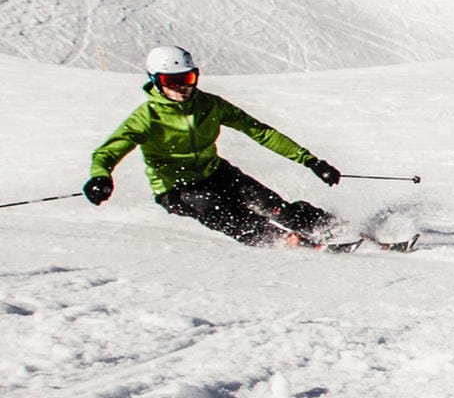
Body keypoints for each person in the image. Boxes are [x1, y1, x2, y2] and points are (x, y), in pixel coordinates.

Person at [85, 45, 345, 249]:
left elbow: (259, 131)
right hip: (177, 189)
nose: (182, 87)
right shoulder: (147, 118)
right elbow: (109, 151)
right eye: (171, 81)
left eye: (187, 78)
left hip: (217, 173)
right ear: (155, 81)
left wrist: (311, 161)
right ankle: (279, 239)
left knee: (273, 205)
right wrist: (100, 176)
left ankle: (333, 228)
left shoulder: (210, 105)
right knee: (215, 206)